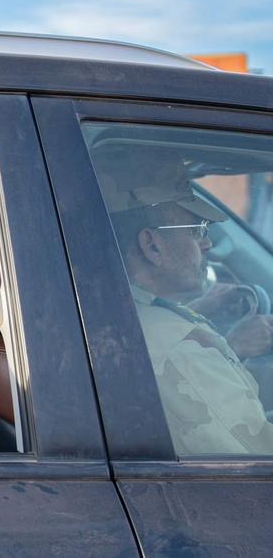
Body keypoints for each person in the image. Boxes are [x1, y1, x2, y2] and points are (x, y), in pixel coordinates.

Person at [99, 147, 273, 455]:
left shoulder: (110, 312)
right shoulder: (183, 350)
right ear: (152, 245)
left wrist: (219, 338)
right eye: (196, 230)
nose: (207, 243)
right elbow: (258, 459)